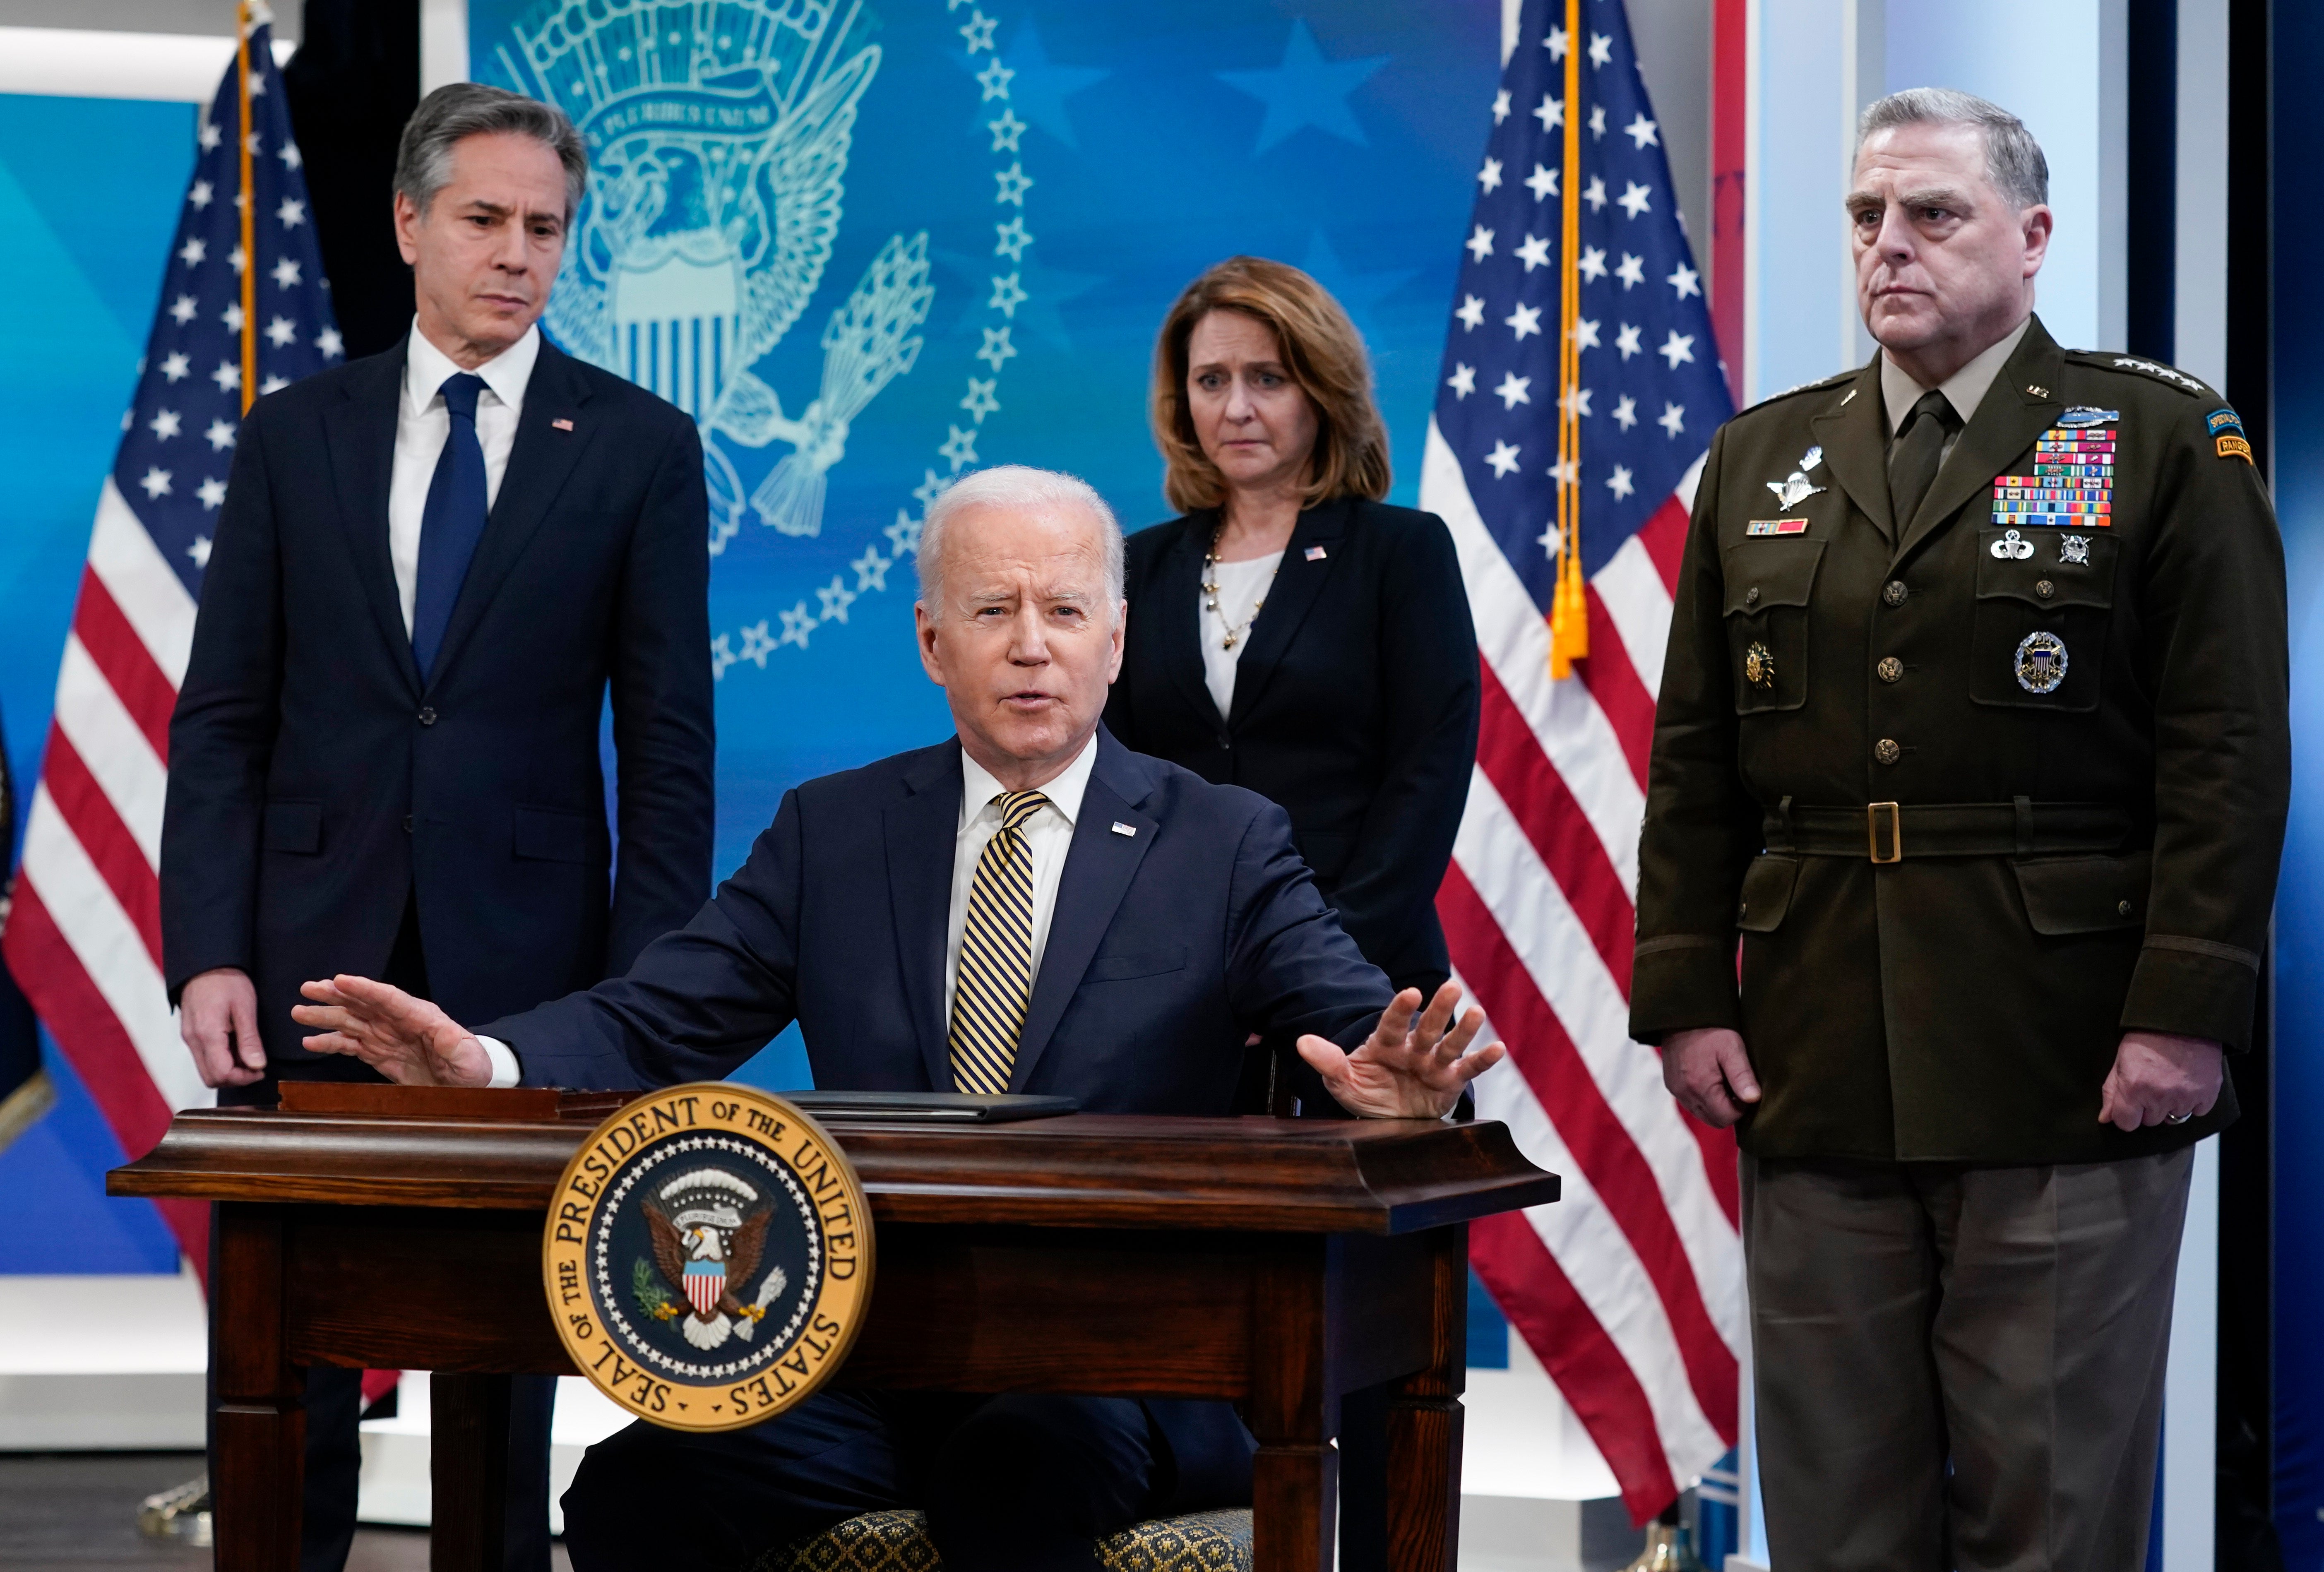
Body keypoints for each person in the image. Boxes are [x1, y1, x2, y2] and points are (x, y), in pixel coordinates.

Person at [289, 464, 1504, 1572]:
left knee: (1017, 1460)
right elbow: (660, 1018)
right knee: (633, 1486)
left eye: (1066, 611)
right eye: (993, 611)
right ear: (931, 639)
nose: (1032, 646)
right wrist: (486, 1056)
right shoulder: (838, 830)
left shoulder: (1225, 840)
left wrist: (1404, 1086)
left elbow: (1357, 1020)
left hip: (1131, 1366)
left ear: (1118, 640)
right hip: (880, 1357)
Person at [1633, 88, 2288, 1569]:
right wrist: (1680, 992)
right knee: (1831, 1507)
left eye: (1931, 214)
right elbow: (1694, 760)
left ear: (2030, 235)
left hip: (2063, 1045)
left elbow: (2226, 750)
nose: (1888, 245)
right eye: (1866, 216)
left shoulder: (2159, 436)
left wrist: (2183, 1013)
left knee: (2041, 1503)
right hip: (1810, 1045)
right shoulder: (1763, 458)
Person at [160, 84, 715, 1572]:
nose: (518, 254)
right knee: (292, 1342)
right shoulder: (294, 435)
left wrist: (636, 999)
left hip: (528, 975)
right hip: (307, 948)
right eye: (485, 220)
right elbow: (223, 714)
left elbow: (666, 750)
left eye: (545, 228)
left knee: (501, 1343)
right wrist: (204, 948)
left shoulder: (638, 446)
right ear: (409, 223)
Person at [1106, 257, 1477, 1023]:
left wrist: (1316, 963)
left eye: (1267, 378)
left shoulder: (1399, 552)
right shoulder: (1137, 566)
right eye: (1211, 381)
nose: (1236, 407)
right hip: (1175, 986)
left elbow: (1426, 778)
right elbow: (1116, 777)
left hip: (1363, 975)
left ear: (1322, 389)